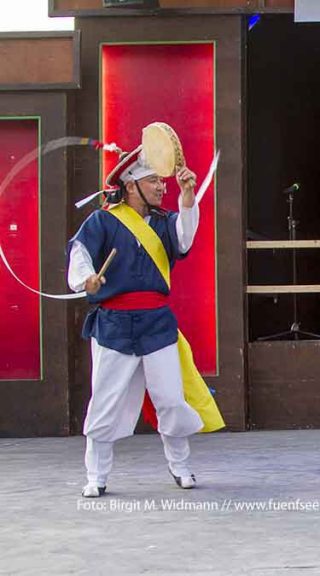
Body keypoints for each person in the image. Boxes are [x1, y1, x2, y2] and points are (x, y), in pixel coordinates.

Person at [68, 143, 222, 498]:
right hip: (114, 325)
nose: (161, 187)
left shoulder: (166, 222)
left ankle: (181, 467)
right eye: (154, 181)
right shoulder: (103, 220)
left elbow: (185, 240)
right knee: (105, 401)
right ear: (131, 184)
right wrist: (86, 279)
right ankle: (96, 475)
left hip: (156, 323)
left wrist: (187, 197)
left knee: (170, 398)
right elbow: (80, 253)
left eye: (163, 182)